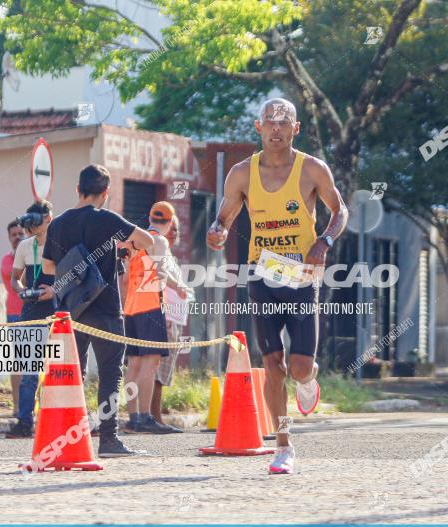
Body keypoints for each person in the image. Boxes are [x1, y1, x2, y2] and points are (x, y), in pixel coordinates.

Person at [206, 98, 348, 474]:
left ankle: (309, 379)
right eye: (270, 122)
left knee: (299, 368)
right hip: (262, 275)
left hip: (301, 278)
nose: (276, 129)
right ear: (258, 127)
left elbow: (340, 210)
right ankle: (283, 445)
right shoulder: (241, 173)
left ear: (295, 129)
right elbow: (224, 217)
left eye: (284, 123)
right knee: (272, 365)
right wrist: (217, 232)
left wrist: (324, 242)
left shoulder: (312, 169)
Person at [41, 164, 154, 457]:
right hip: (105, 308)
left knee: (72, 375)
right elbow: (149, 241)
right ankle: (108, 439)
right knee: (109, 373)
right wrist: (124, 245)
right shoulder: (106, 219)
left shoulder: (59, 223)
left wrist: (75, 268)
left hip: (71, 311)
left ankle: (68, 438)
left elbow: (47, 267)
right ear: (105, 193)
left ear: (78, 190)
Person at [123, 202, 193, 434]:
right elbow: (161, 272)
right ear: (171, 221)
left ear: (151, 218)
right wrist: (179, 286)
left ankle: (133, 417)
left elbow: (125, 276)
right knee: (151, 363)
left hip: (131, 306)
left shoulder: (135, 239)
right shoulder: (160, 241)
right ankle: (144, 417)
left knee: (134, 363)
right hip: (150, 304)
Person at [6, 200, 55, 438]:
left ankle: (57, 419)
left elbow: (72, 274)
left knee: (58, 369)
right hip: (31, 309)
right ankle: (25, 421)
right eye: (30, 224)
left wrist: (55, 291)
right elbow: (15, 278)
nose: (32, 228)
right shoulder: (25, 246)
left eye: (37, 223)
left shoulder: (59, 242)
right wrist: (20, 291)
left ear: (48, 219)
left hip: (56, 309)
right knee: (29, 370)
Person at [152, 215, 187, 431]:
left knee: (164, 373)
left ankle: (154, 416)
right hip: (165, 317)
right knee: (157, 371)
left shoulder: (170, 255)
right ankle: (153, 416)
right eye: (170, 227)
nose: (173, 232)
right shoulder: (159, 250)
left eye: (176, 228)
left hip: (174, 318)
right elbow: (159, 279)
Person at [1, 219, 26, 419]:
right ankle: (17, 406)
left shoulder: (33, 256)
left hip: (35, 313)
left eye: (20, 233)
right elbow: (15, 282)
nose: (17, 237)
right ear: (9, 238)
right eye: (13, 235)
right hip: (15, 312)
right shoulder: (7, 261)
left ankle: (33, 405)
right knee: (18, 361)